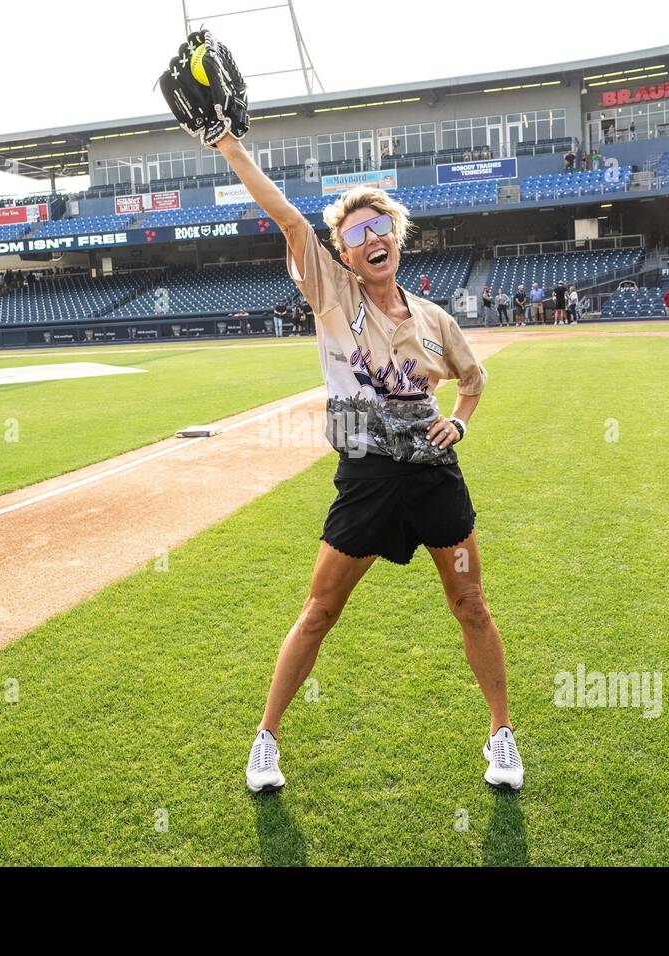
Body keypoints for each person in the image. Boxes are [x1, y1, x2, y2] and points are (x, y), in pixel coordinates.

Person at [159, 30, 521, 795]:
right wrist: (227, 144)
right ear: (344, 255)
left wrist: (462, 418)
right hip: (366, 477)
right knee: (321, 609)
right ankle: (265, 741)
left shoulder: (433, 318)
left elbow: (474, 381)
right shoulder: (331, 296)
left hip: (433, 474)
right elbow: (291, 220)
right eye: (355, 234)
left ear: (397, 236)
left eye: (379, 226)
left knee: (470, 602)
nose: (371, 238)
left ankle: (502, 736)